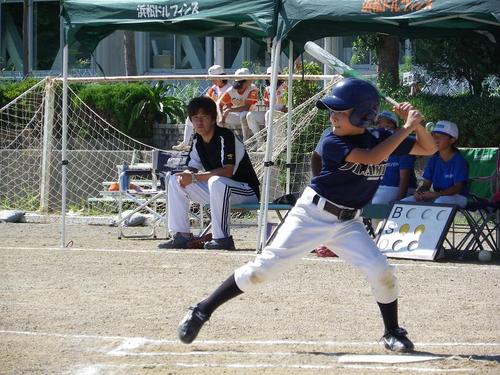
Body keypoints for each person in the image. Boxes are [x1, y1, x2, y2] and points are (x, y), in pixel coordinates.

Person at [175, 78, 437, 352]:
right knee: (262, 272)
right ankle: (201, 310)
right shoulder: (333, 139)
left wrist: (417, 125)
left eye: (341, 111)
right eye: (332, 111)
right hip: (312, 214)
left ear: (363, 115)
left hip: (348, 222)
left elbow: (428, 148)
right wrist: (406, 127)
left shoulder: (381, 138)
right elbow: (372, 157)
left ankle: (392, 331)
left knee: (381, 271)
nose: (333, 117)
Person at [158, 96, 260, 251]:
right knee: (174, 180)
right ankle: (181, 236)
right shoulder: (197, 140)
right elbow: (192, 167)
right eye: (195, 118)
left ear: (213, 119)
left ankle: (222, 239)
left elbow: (227, 171)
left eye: (203, 117)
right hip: (219, 191)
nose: (199, 122)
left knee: (216, 181)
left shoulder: (225, 136)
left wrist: (193, 177)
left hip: (245, 191)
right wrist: (186, 175)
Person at [402, 120, 469, 208]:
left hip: (458, 197)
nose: (435, 139)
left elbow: (457, 188)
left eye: (440, 136)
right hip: (437, 196)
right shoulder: (434, 159)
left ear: (452, 140)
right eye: (433, 135)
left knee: (440, 202)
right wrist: (419, 193)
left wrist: (436, 194)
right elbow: (426, 184)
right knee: (405, 202)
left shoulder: (459, 160)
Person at [172, 65, 231, 151]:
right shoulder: (214, 88)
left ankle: (212, 145)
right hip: (211, 113)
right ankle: (185, 143)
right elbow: (205, 99)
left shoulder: (229, 88)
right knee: (190, 118)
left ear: (220, 77)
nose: (212, 81)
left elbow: (227, 105)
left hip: (223, 113)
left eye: (213, 78)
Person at [371, 111, 417, 204]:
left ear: (396, 128)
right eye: (379, 125)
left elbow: (405, 177)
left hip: (399, 189)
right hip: (382, 188)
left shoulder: (403, 146)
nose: (383, 129)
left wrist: (399, 200)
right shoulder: (376, 147)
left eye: (388, 124)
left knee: (377, 202)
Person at [245, 67, 287, 143]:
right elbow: (266, 104)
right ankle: (260, 143)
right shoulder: (267, 88)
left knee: (268, 114)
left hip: (281, 113)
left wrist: (282, 111)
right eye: (269, 75)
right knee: (250, 115)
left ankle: (269, 143)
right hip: (269, 113)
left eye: (273, 75)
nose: (271, 78)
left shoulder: (285, 86)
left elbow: (287, 105)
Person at [219, 68, 259, 142]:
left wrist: (230, 110)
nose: (252, 79)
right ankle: (221, 140)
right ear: (244, 81)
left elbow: (247, 107)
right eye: (250, 78)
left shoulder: (253, 88)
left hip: (251, 115)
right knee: (216, 116)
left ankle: (246, 140)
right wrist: (221, 117)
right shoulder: (231, 90)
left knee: (244, 114)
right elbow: (220, 104)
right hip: (237, 116)